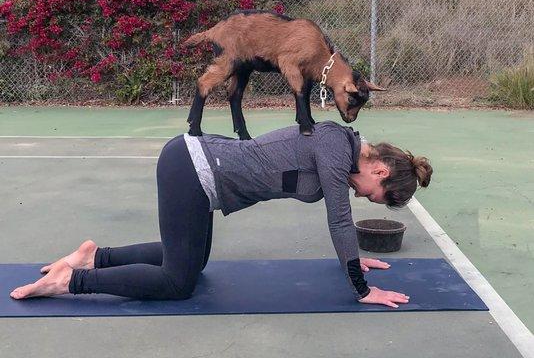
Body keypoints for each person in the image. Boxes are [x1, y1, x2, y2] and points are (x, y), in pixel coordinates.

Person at [10, 121, 432, 308]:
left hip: (201, 174)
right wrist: (361, 289)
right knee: (178, 283)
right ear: (379, 170)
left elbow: (339, 218)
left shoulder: (338, 153)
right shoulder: (336, 146)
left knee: (191, 260)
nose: (364, 197)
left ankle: (93, 256)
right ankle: (73, 281)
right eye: (374, 194)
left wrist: (352, 259)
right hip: (193, 170)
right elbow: (338, 220)